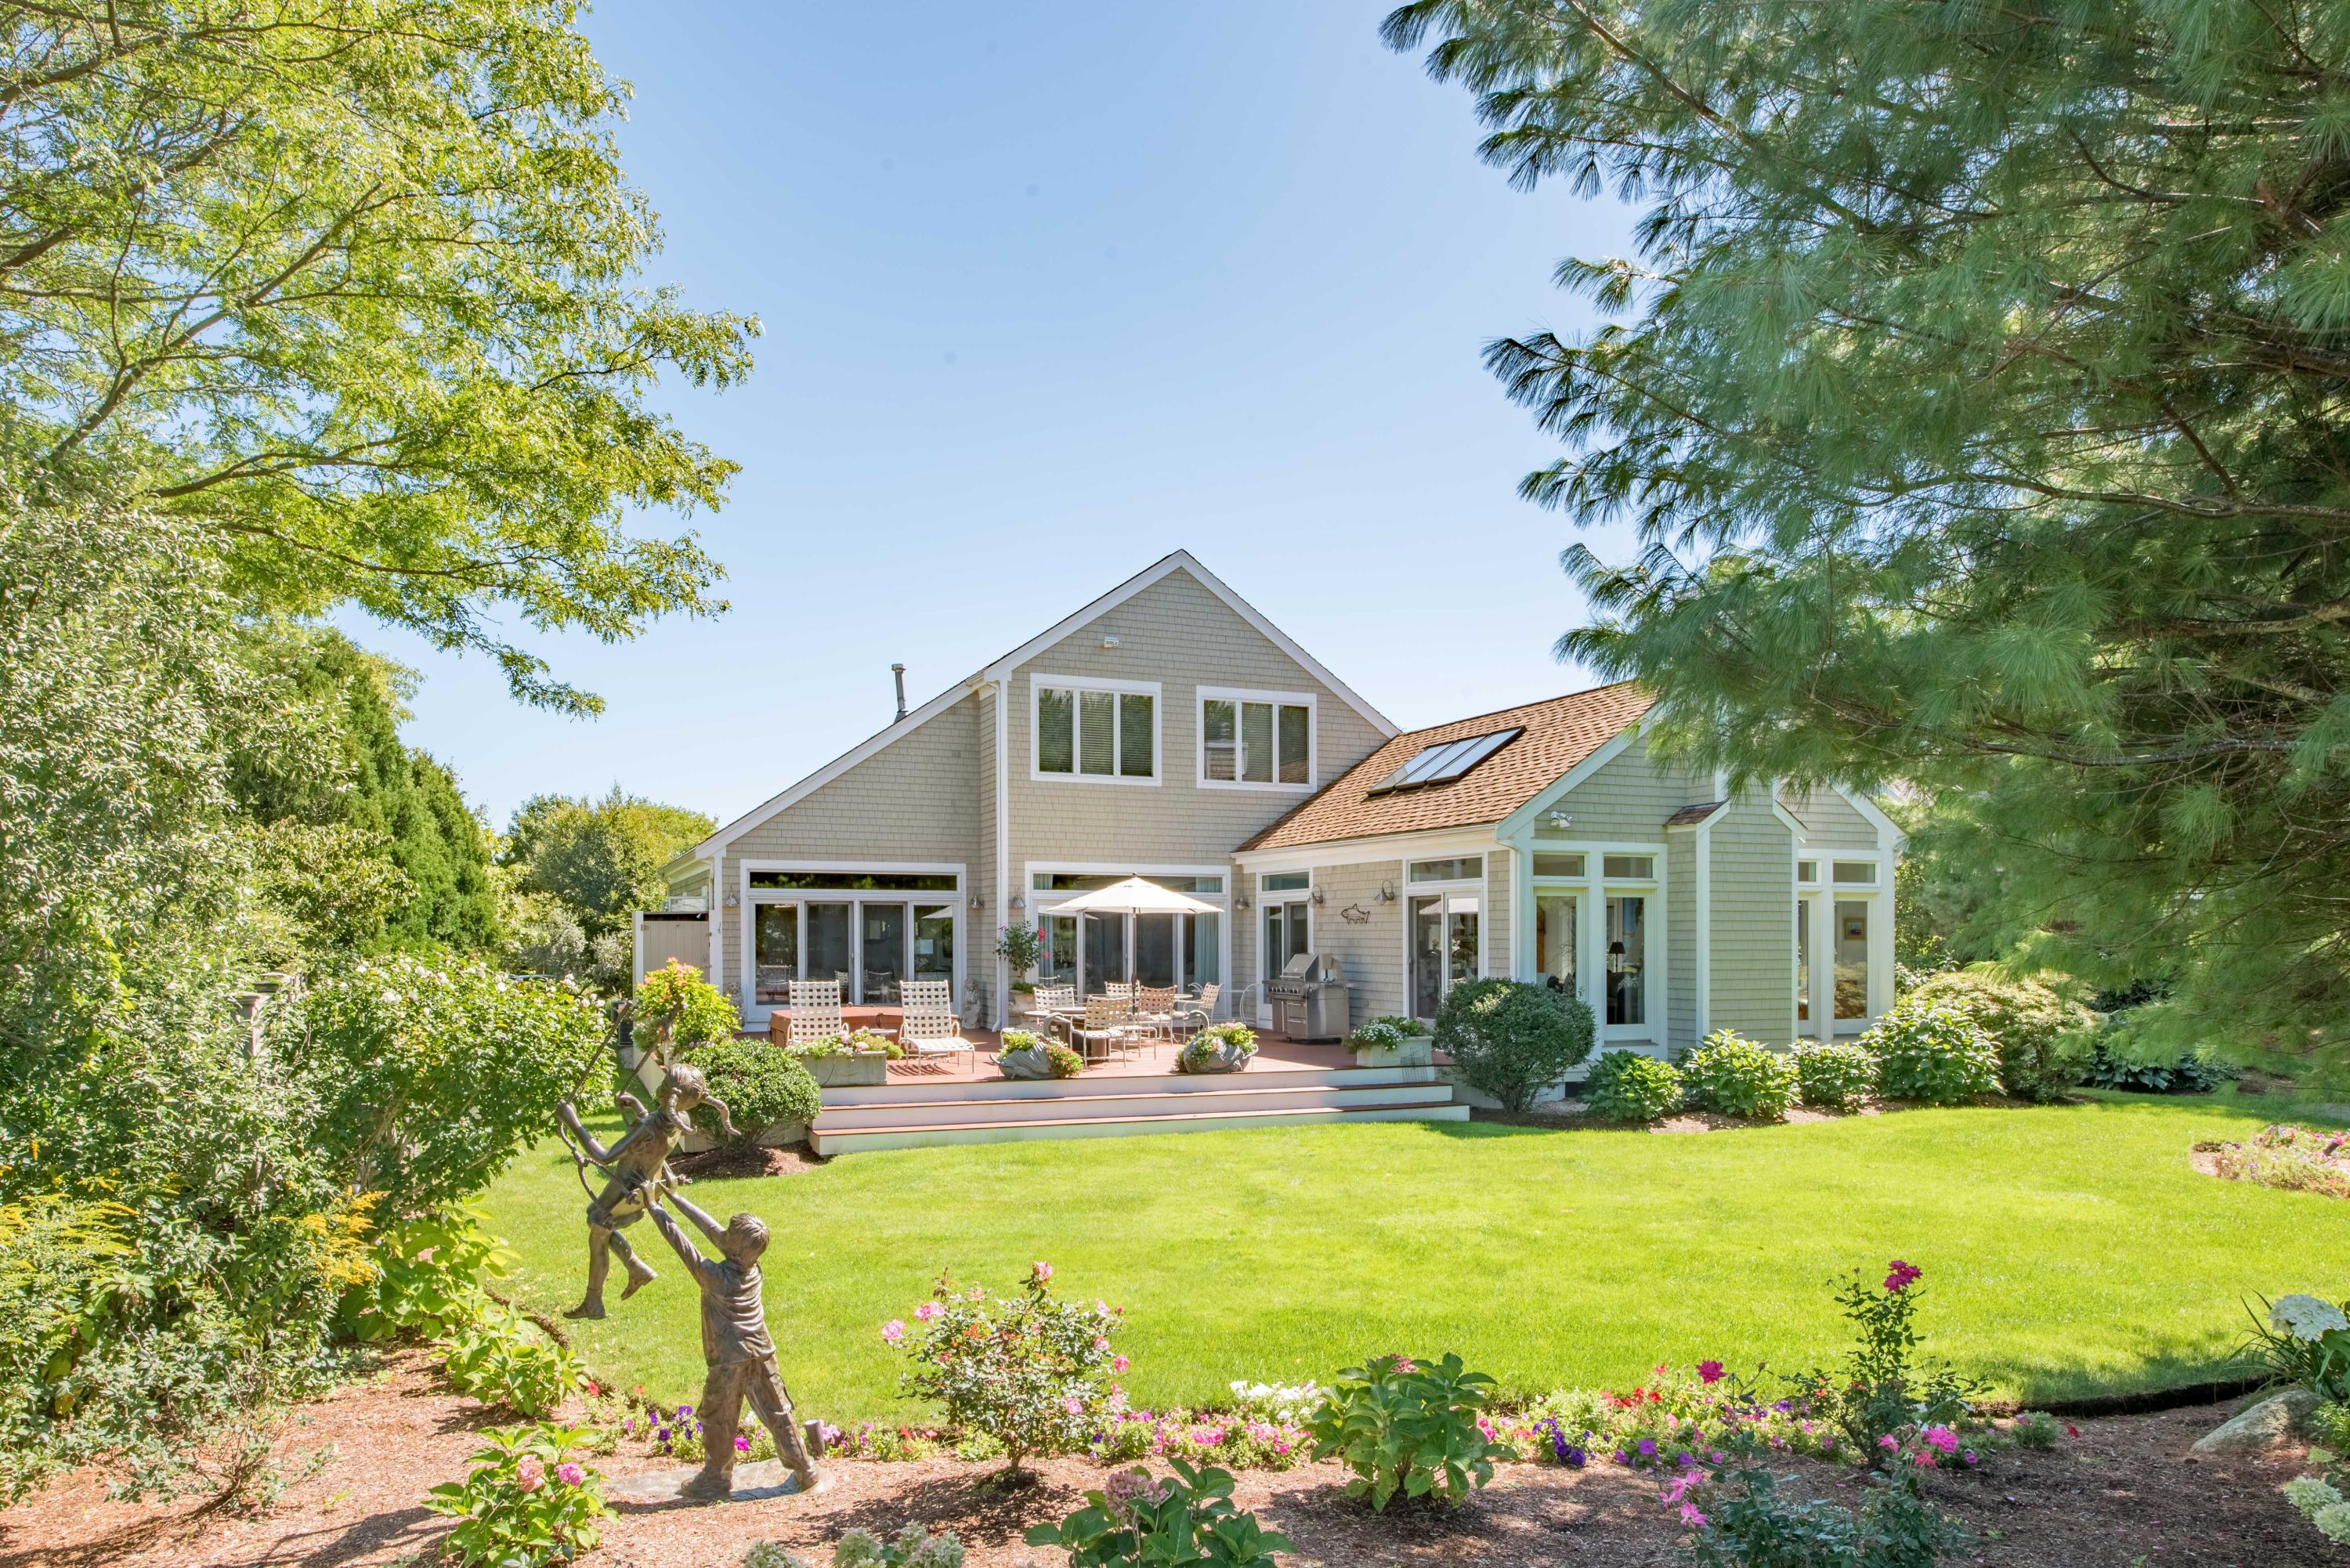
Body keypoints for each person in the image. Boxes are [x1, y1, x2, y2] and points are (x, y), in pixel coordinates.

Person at [643, 1184, 823, 1500]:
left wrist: (654, 1208)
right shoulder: (754, 1269)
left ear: (735, 1248)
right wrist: (675, 1197)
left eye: (729, 1233)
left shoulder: (715, 1277)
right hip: (762, 1351)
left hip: (730, 1359)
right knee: (777, 1410)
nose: (721, 1233)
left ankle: (715, 1478)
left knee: (719, 1417)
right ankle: (804, 1468)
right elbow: (718, 1236)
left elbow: (681, 1243)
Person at [557, 1063, 735, 1320]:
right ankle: (634, 1268)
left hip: (624, 1189)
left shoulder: (649, 1126)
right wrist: (637, 1107)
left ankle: (594, 1300)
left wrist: (571, 1120)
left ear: (666, 1092)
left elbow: (604, 1156)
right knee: (597, 1221)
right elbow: (656, 1132)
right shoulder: (680, 1120)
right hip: (647, 1189)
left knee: (598, 1230)